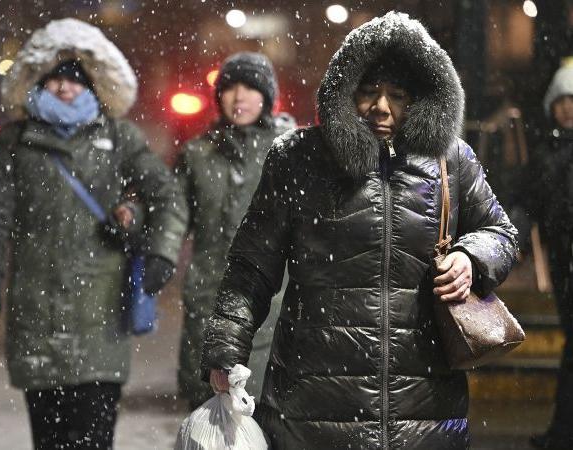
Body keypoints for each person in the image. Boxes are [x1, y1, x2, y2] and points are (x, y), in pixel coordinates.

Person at [202, 12, 518, 449]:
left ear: (422, 99)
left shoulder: (451, 160)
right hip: (313, 407)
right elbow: (252, 266)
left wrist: (471, 256)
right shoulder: (298, 160)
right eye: (368, 92)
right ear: (345, 94)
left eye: (398, 95)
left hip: (424, 410)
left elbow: (500, 233)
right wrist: (226, 347)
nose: (381, 107)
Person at [0, 18, 186, 450]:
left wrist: (159, 248)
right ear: (39, 86)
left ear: (91, 88)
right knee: (48, 438)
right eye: (54, 82)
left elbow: (167, 195)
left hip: (100, 310)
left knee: (93, 435)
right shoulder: (17, 140)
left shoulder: (119, 137)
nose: (64, 89)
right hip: (37, 306)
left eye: (73, 82)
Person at [175, 52, 295, 409]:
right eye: (230, 89)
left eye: (250, 88)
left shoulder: (289, 151)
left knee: (261, 407)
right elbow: (173, 213)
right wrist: (157, 251)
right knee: (206, 412)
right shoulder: (198, 153)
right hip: (207, 297)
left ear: (267, 98)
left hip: (271, 299)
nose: (239, 97)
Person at [530, 64, 573, 450]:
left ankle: (562, 432)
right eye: (562, 100)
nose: (568, 108)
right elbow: (533, 201)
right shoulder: (546, 150)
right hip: (563, 260)